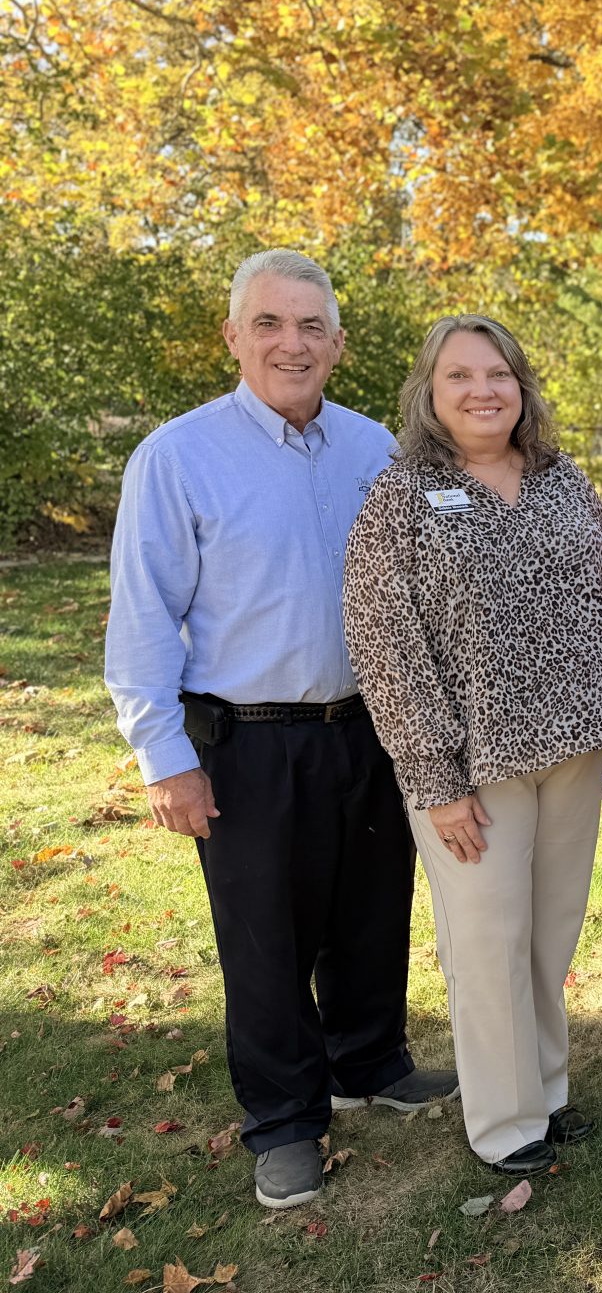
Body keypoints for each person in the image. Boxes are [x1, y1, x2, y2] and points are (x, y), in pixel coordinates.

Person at [105, 250, 458, 1211]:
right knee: (266, 941)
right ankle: (286, 1120)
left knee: (371, 912)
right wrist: (163, 759)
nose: (290, 344)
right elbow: (142, 620)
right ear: (234, 336)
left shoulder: (375, 448)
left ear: (337, 344)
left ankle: (368, 1061)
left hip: (371, 729)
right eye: (268, 323)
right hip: (247, 741)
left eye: (309, 327)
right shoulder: (178, 457)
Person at [342, 314, 602, 1176]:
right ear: (430, 394)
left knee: (549, 934)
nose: (483, 390)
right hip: (471, 766)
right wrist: (432, 778)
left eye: (498, 374)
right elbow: (384, 642)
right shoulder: (402, 496)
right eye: (460, 376)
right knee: (486, 940)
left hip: (575, 746)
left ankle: (545, 1093)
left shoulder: (562, 479)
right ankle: (506, 1124)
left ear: (521, 386)